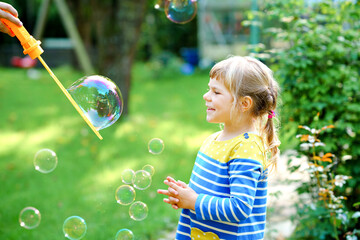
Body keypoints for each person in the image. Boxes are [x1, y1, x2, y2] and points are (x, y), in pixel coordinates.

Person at [157, 56, 281, 240]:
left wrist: (194, 201)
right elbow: (213, 192)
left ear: (244, 103)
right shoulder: (213, 140)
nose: (206, 96)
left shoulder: (247, 148)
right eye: (209, 89)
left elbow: (239, 208)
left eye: (216, 92)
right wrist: (186, 195)